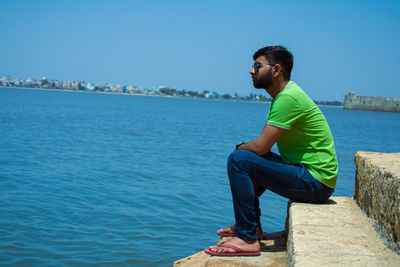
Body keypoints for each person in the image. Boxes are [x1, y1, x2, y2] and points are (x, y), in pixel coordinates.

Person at [204, 46, 338, 256]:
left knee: (239, 159)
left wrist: (239, 147)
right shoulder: (285, 96)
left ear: (276, 70)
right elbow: (261, 150)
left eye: (257, 66)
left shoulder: (288, 98)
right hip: (311, 176)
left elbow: (260, 147)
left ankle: (248, 238)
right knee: (247, 159)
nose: (251, 71)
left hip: (315, 181)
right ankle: (251, 228)